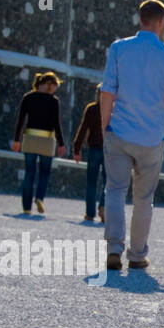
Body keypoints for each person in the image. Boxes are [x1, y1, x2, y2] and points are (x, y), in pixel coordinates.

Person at [99, 0, 164, 272]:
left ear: (140, 19)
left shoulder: (119, 48)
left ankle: (114, 249)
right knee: (143, 198)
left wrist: (105, 125)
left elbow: (107, 91)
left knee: (115, 190)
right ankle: (138, 255)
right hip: (152, 138)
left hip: (119, 132)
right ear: (163, 22)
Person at [11, 72, 67, 215]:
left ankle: (26, 207)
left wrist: (16, 139)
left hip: (30, 138)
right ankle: (39, 197)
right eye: (55, 86)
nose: (55, 90)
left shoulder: (28, 97)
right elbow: (57, 123)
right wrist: (61, 143)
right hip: (47, 140)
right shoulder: (53, 101)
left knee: (29, 173)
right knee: (44, 173)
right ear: (49, 84)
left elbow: (21, 120)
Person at [71, 83, 107, 223]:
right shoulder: (113, 110)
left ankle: (90, 213)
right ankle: (104, 206)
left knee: (91, 182)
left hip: (94, 149)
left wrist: (76, 149)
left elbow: (83, 129)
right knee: (108, 182)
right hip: (109, 150)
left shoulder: (91, 109)